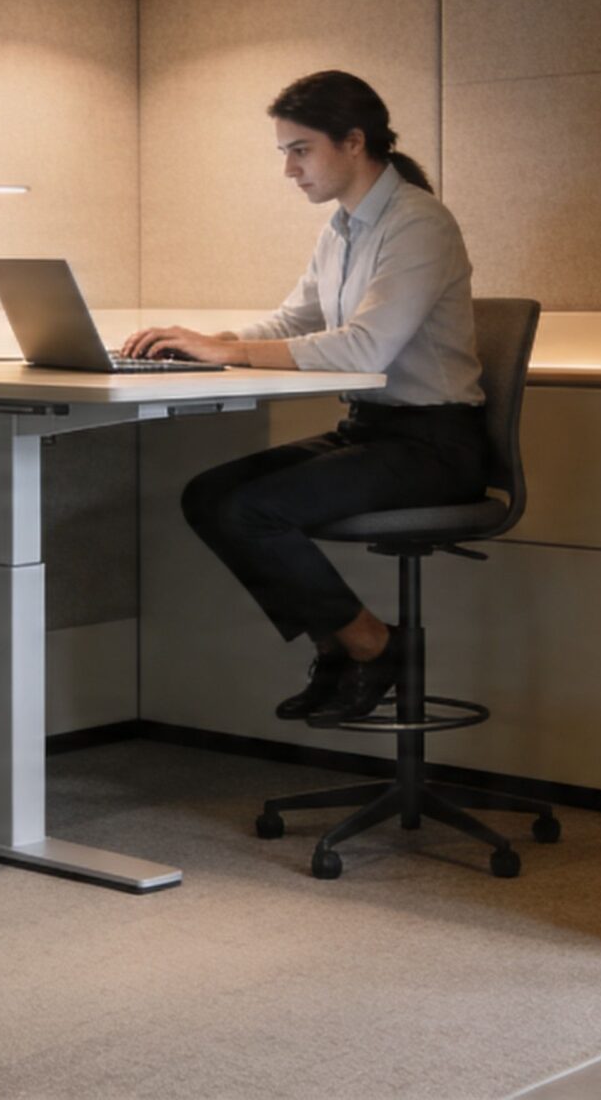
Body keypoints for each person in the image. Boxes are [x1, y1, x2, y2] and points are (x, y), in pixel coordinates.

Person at [120, 70, 486, 725]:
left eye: (300, 150)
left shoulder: (418, 223)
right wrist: (206, 339)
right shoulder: (343, 227)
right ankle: (344, 645)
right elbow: (296, 321)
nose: (289, 169)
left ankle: (375, 646)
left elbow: (361, 349)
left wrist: (225, 353)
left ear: (353, 142)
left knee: (253, 511)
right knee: (207, 496)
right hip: (374, 432)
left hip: (438, 444)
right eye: (284, 152)